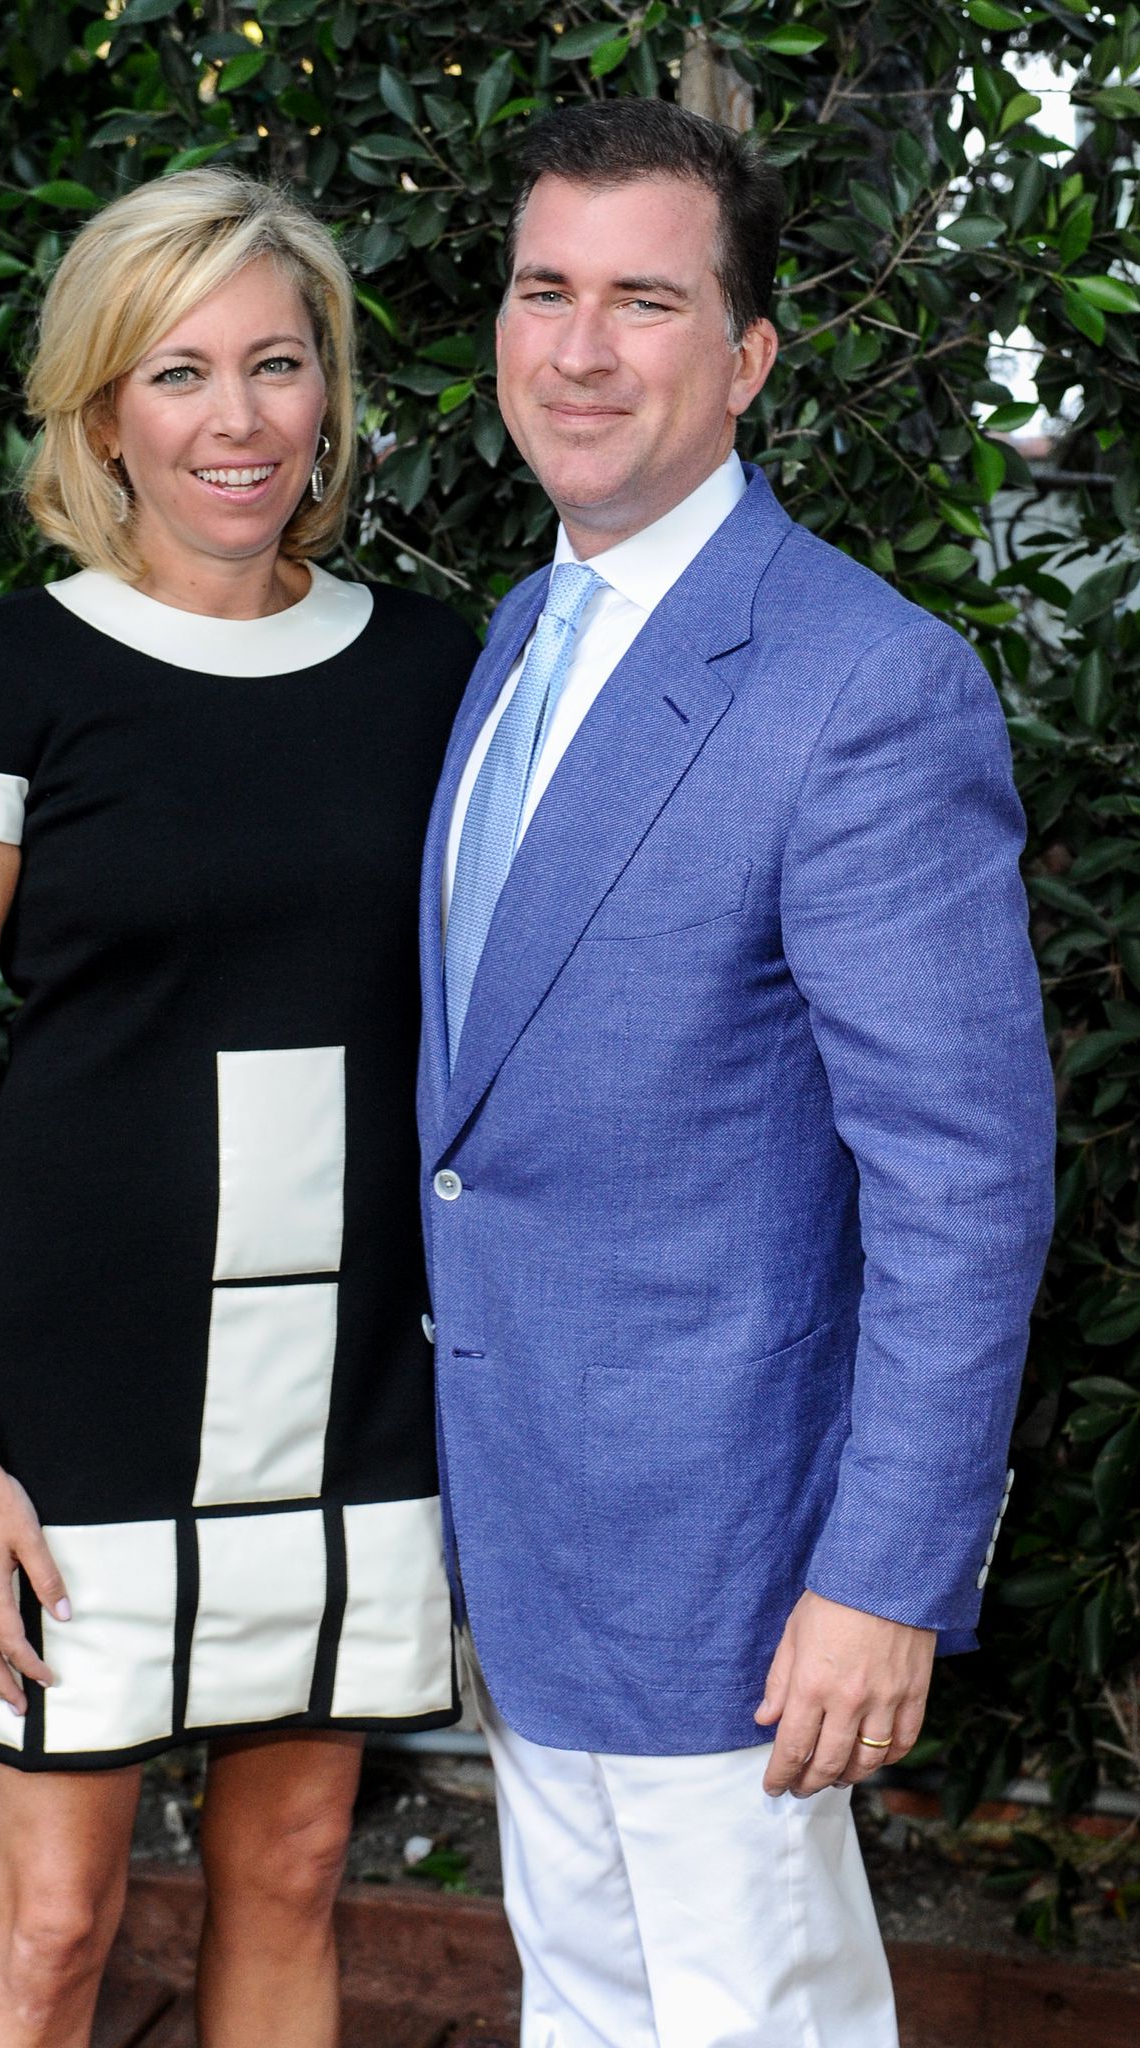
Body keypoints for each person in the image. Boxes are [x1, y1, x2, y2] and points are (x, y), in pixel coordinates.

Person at [419, 99, 1055, 2048]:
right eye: (546, 291)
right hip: (531, 1526)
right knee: (593, 2013)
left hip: (739, 1569)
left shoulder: (860, 684)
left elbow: (963, 1173)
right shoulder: (526, 632)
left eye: (645, 300)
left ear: (747, 356)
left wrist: (885, 1569)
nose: (581, 348)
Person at [0, 167, 474, 2048]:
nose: (235, 421)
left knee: (293, 1877)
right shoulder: (2, 677)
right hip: (82, 1390)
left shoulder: (440, 673)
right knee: (49, 1933)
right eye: (182, 371)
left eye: (277, 366)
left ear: (330, 399)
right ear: (102, 408)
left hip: (355, 1374)